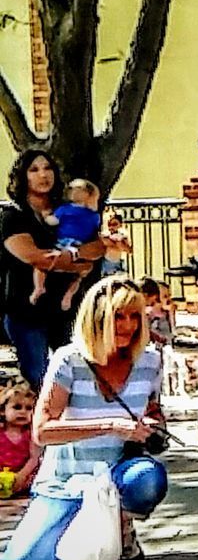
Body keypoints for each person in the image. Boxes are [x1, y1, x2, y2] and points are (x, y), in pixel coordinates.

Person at [2, 277, 169, 560]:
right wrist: (109, 426)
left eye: (135, 316)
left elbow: (154, 412)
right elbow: (41, 431)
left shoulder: (150, 361)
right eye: (118, 316)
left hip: (117, 473)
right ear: (98, 317)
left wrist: (153, 425)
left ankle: (121, 524)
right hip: (67, 479)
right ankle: (80, 532)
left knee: (148, 478)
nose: (128, 326)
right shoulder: (69, 360)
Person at [0, 150, 105, 389]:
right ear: (23, 176)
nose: (43, 175)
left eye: (47, 168)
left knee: (78, 376)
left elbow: (97, 246)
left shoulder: (69, 209)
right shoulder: (13, 215)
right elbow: (33, 256)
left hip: (68, 310)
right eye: (34, 170)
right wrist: (78, 263)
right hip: (27, 311)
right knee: (40, 378)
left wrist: (76, 255)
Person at [31, 179, 101, 313]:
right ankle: (68, 294)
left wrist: (45, 215)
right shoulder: (94, 216)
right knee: (78, 276)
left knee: (41, 264)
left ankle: (39, 287)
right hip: (78, 245)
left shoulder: (65, 210)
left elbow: (52, 222)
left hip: (62, 243)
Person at [0, 383, 40, 498]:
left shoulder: (32, 435)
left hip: (24, 476)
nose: (23, 412)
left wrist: (21, 476)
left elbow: (34, 458)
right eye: (17, 407)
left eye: (28, 408)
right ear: (3, 410)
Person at [99, 210, 132, 277]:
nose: (111, 227)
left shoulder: (123, 235)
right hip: (107, 263)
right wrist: (116, 244)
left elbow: (129, 250)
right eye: (109, 224)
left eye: (114, 224)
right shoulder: (105, 235)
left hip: (118, 262)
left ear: (120, 224)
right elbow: (105, 242)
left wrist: (120, 244)